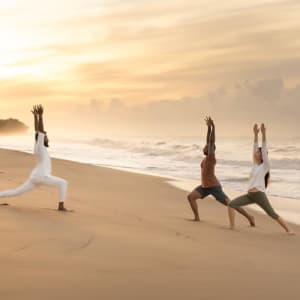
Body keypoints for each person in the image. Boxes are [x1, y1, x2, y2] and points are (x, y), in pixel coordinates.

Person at [0, 105, 69, 211]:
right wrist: (41, 117)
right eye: (46, 137)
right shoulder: (39, 147)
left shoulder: (39, 147)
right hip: (41, 176)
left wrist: (35, 117)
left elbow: (37, 132)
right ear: (41, 139)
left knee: (17, 192)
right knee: (63, 183)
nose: (47, 138)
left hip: (36, 176)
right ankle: (61, 206)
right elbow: (39, 132)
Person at [187, 117, 255, 225]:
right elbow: (208, 141)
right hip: (205, 186)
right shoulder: (205, 158)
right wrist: (208, 128)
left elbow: (211, 141)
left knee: (230, 204)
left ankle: (249, 217)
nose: (204, 147)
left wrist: (213, 128)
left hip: (214, 187)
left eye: (206, 147)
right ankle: (197, 218)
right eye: (205, 146)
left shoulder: (211, 158)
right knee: (190, 197)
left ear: (211, 150)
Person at [228, 123, 294, 234]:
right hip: (249, 195)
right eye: (257, 152)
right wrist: (255, 134)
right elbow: (255, 147)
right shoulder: (255, 165)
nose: (256, 153)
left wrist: (263, 134)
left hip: (259, 195)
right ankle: (232, 227)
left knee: (272, 213)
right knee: (231, 204)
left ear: (263, 156)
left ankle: (289, 230)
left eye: (258, 152)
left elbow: (263, 148)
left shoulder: (265, 166)